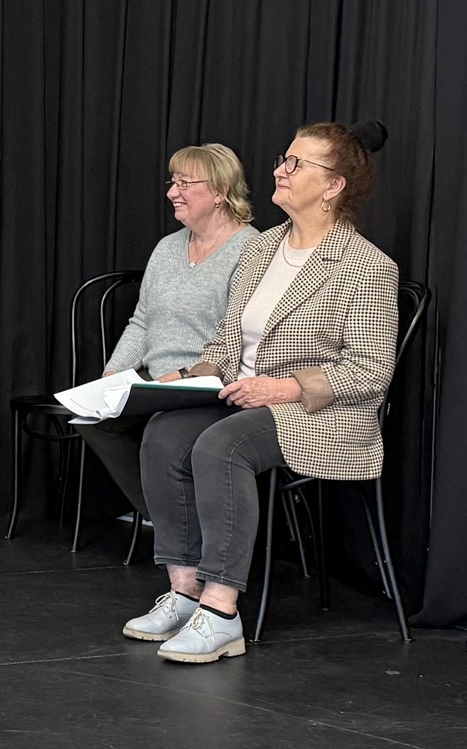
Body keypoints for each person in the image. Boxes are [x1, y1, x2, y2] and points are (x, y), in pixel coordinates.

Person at [126, 121, 398, 664]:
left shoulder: (366, 265)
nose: (280, 170)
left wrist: (285, 387)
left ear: (333, 185)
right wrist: (185, 377)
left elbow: (370, 370)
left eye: (297, 164)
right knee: (163, 434)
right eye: (283, 159)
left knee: (220, 446)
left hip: (318, 413)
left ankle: (221, 612)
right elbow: (227, 343)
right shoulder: (262, 250)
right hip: (240, 396)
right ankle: (185, 591)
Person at [73, 144, 256, 522]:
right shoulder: (167, 248)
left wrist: (186, 376)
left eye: (185, 183)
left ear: (220, 191)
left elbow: (239, 333)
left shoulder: (251, 250)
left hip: (209, 382)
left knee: (162, 432)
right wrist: (114, 373)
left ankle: (178, 523)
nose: (173, 192)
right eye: (173, 182)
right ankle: (165, 516)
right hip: (156, 380)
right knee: (94, 420)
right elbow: (143, 321)